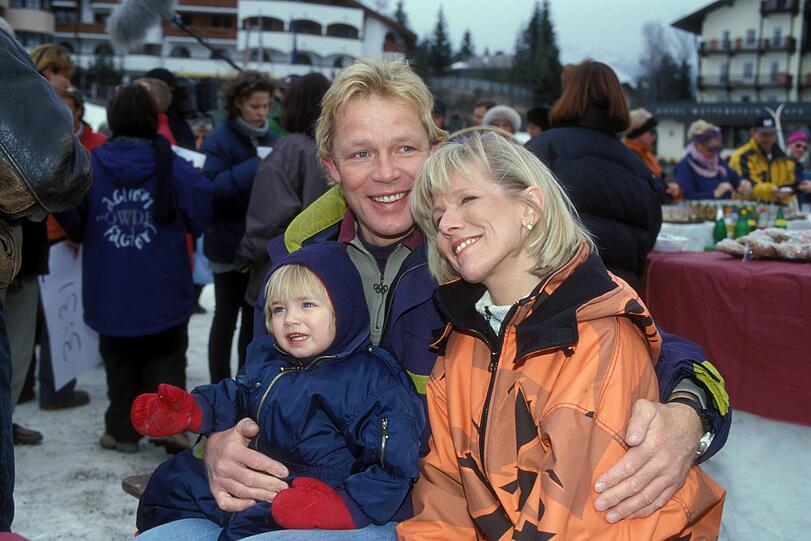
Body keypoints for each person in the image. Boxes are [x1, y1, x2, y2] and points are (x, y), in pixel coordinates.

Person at [163, 58, 729, 541]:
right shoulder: (298, 259)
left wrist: (691, 411)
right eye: (360, 154)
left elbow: (622, 333)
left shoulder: (479, 254)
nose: (387, 174)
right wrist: (215, 440)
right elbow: (258, 383)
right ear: (331, 167)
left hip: (416, 511)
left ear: (435, 148)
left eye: (405, 147)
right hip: (290, 493)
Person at [397, 126, 725, 539]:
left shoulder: (593, 333)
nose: (447, 224)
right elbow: (445, 491)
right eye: (437, 214)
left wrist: (694, 406)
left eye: (467, 198)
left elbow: (574, 524)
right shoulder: (463, 339)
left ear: (529, 207)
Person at [132, 242, 425, 541]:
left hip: (311, 491)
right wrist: (194, 410)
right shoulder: (269, 357)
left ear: (343, 307)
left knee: (251, 527)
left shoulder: (369, 379)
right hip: (257, 471)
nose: (291, 319)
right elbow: (238, 394)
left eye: (307, 304)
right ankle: (154, 528)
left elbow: (393, 463)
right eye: (278, 309)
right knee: (174, 479)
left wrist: (345, 506)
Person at [56, 84, 212, 453]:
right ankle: (170, 428)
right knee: (167, 360)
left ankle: (122, 431)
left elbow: (68, 211)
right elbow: (202, 204)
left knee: (120, 363)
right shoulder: (172, 165)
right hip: (164, 281)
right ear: (152, 118)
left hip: (110, 285)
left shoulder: (92, 163)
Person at [0, 27, 92, 532]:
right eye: (52, 75)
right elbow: (55, 171)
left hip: (31, 252)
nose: (59, 83)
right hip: (17, 254)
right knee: (14, 353)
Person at [525, 62, 662, 289]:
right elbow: (648, 237)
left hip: (549, 297)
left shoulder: (543, 148)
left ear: (568, 95)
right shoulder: (640, 168)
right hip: (615, 303)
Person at [201, 71, 276, 384]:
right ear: (237, 104)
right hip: (227, 243)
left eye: (266, 106)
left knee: (253, 320)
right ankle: (219, 386)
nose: (262, 113)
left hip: (260, 247)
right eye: (255, 106)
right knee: (225, 317)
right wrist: (255, 165)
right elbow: (211, 188)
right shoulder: (220, 139)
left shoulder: (274, 139)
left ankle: (247, 384)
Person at [236, 72, 331, 311]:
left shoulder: (291, 149)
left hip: (280, 269)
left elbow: (270, 215)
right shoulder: (335, 152)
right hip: (321, 273)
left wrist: (248, 251)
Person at [728, 115, 797, 202]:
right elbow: (747, 184)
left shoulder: (783, 158)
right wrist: (772, 191)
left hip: (779, 209)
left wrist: (790, 191)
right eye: (763, 134)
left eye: (771, 134)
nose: (767, 138)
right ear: (753, 133)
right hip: (748, 210)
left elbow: (791, 183)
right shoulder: (741, 156)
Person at [623, 108, 682, 203]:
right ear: (637, 134)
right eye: (651, 132)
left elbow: (660, 183)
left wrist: (674, 190)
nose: (654, 136)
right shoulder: (629, 157)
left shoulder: (647, 155)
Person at [674, 119, 743, 200]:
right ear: (698, 146)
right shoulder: (686, 166)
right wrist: (714, 193)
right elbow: (686, 196)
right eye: (711, 149)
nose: (715, 153)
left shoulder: (717, 161)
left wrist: (742, 183)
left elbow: (735, 178)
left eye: (718, 149)